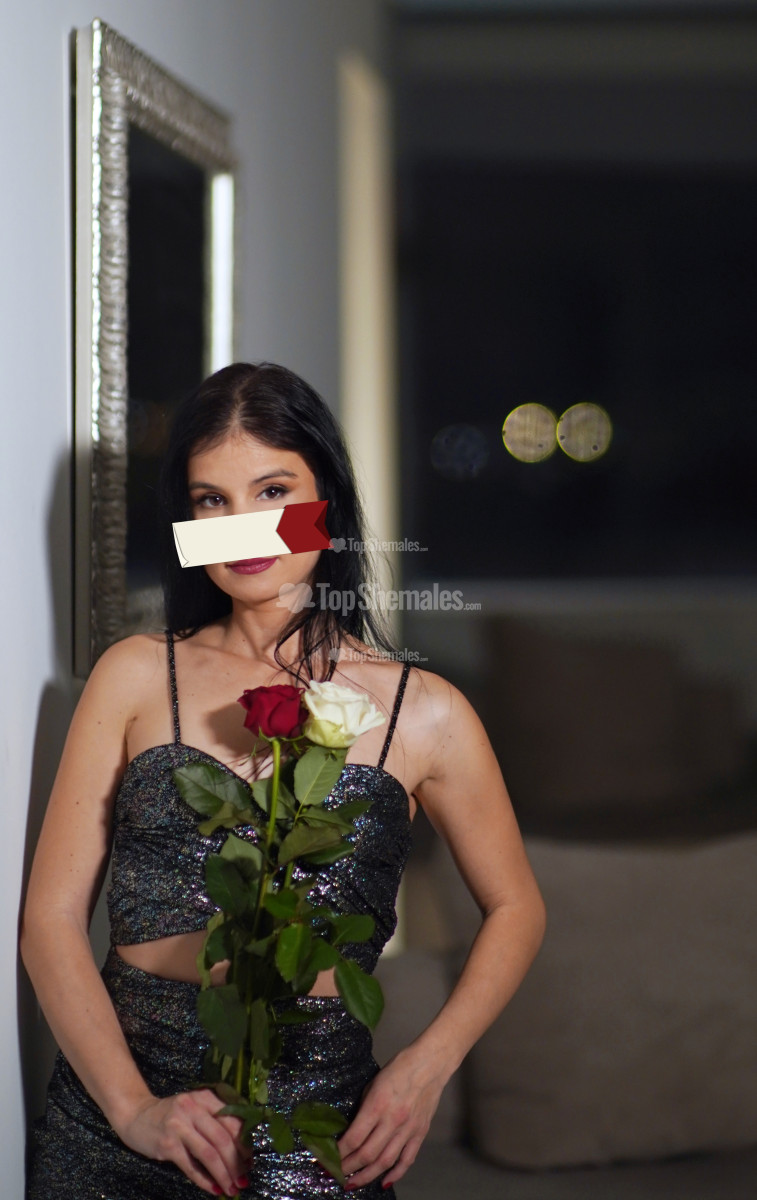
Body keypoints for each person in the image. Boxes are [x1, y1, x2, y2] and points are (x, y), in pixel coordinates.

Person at [22, 362, 546, 1199]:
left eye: (272, 491)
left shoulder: (425, 712)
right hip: (121, 1120)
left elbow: (516, 907)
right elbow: (49, 921)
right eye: (212, 501)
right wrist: (131, 1109)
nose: (243, 528)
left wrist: (424, 1067)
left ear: (324, 501)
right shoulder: (133, 675)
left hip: (318, 1124)